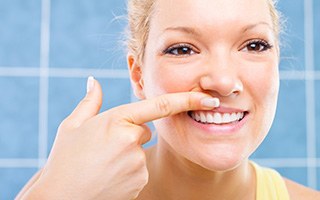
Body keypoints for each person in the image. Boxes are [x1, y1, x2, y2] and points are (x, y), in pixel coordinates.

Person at [16, 0, 320, 199]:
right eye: (183, 50)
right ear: (138, 76)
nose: (224, 82)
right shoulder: (63, 190)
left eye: (254, 45)